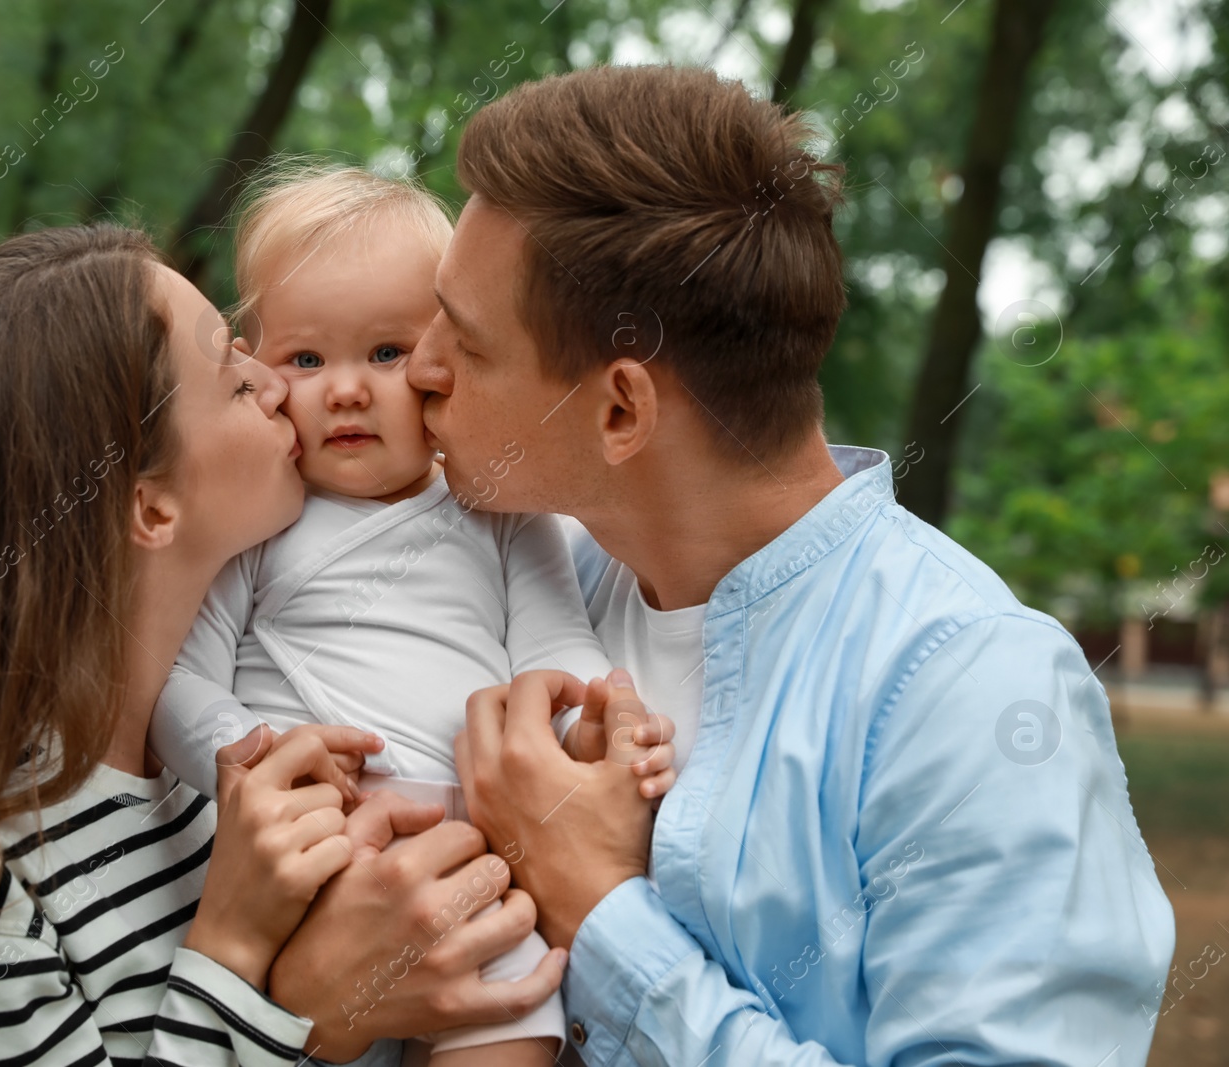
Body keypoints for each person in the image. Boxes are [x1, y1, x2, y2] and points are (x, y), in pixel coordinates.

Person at [398, 65, 1172, 1066]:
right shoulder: (510, 589)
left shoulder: (972, 690)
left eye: (463, 340)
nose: (417, 365)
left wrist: (601, 910)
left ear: (621, 409)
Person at [0, 225, 564, 1067]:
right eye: (230, 367)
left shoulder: (220, 762)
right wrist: (265, 979)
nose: (276, 381)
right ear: (149, 505)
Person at [150, 165, 676, 1067]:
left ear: (443, 364)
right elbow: (180, 684)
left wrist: (592, 714)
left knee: (511, 994)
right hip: (315, 857)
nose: (346, 390)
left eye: (386, 354)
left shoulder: (499, 509)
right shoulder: (263, 520)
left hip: (475, 854)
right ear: (258, 367)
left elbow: (554, 641)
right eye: (306, 360)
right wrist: (250, 758)